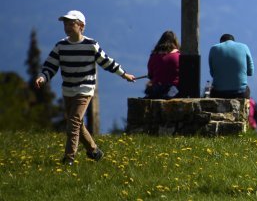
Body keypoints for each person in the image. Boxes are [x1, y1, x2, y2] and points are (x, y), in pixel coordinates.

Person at [34, 10, 136, 165]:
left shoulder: (91, 45)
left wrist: (124, 74)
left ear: (81, 26)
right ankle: (94, 151)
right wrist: (43, 77)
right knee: (76, 122)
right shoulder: (61, 46)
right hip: (68, 89)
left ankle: (69, 158)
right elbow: (50, 65)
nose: (67, 27)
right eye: (65, 24)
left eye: (71, 23)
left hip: (85, 89)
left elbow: (106, 62)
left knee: (73, 121)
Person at [208, 34, 254, 98]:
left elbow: (212, 73)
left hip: (219, 93)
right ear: (233, 41)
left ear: (221, 42)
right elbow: (250, 72)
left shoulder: (214, 49)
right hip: (241, 93)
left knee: (211, 91)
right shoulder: (244, 47)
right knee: (247, 89)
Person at [144, 30, 180, 99]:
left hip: (157, 90)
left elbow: (150, 75)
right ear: (175, 42)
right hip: (173, 90)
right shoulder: (178, 56)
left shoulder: (153, 56)